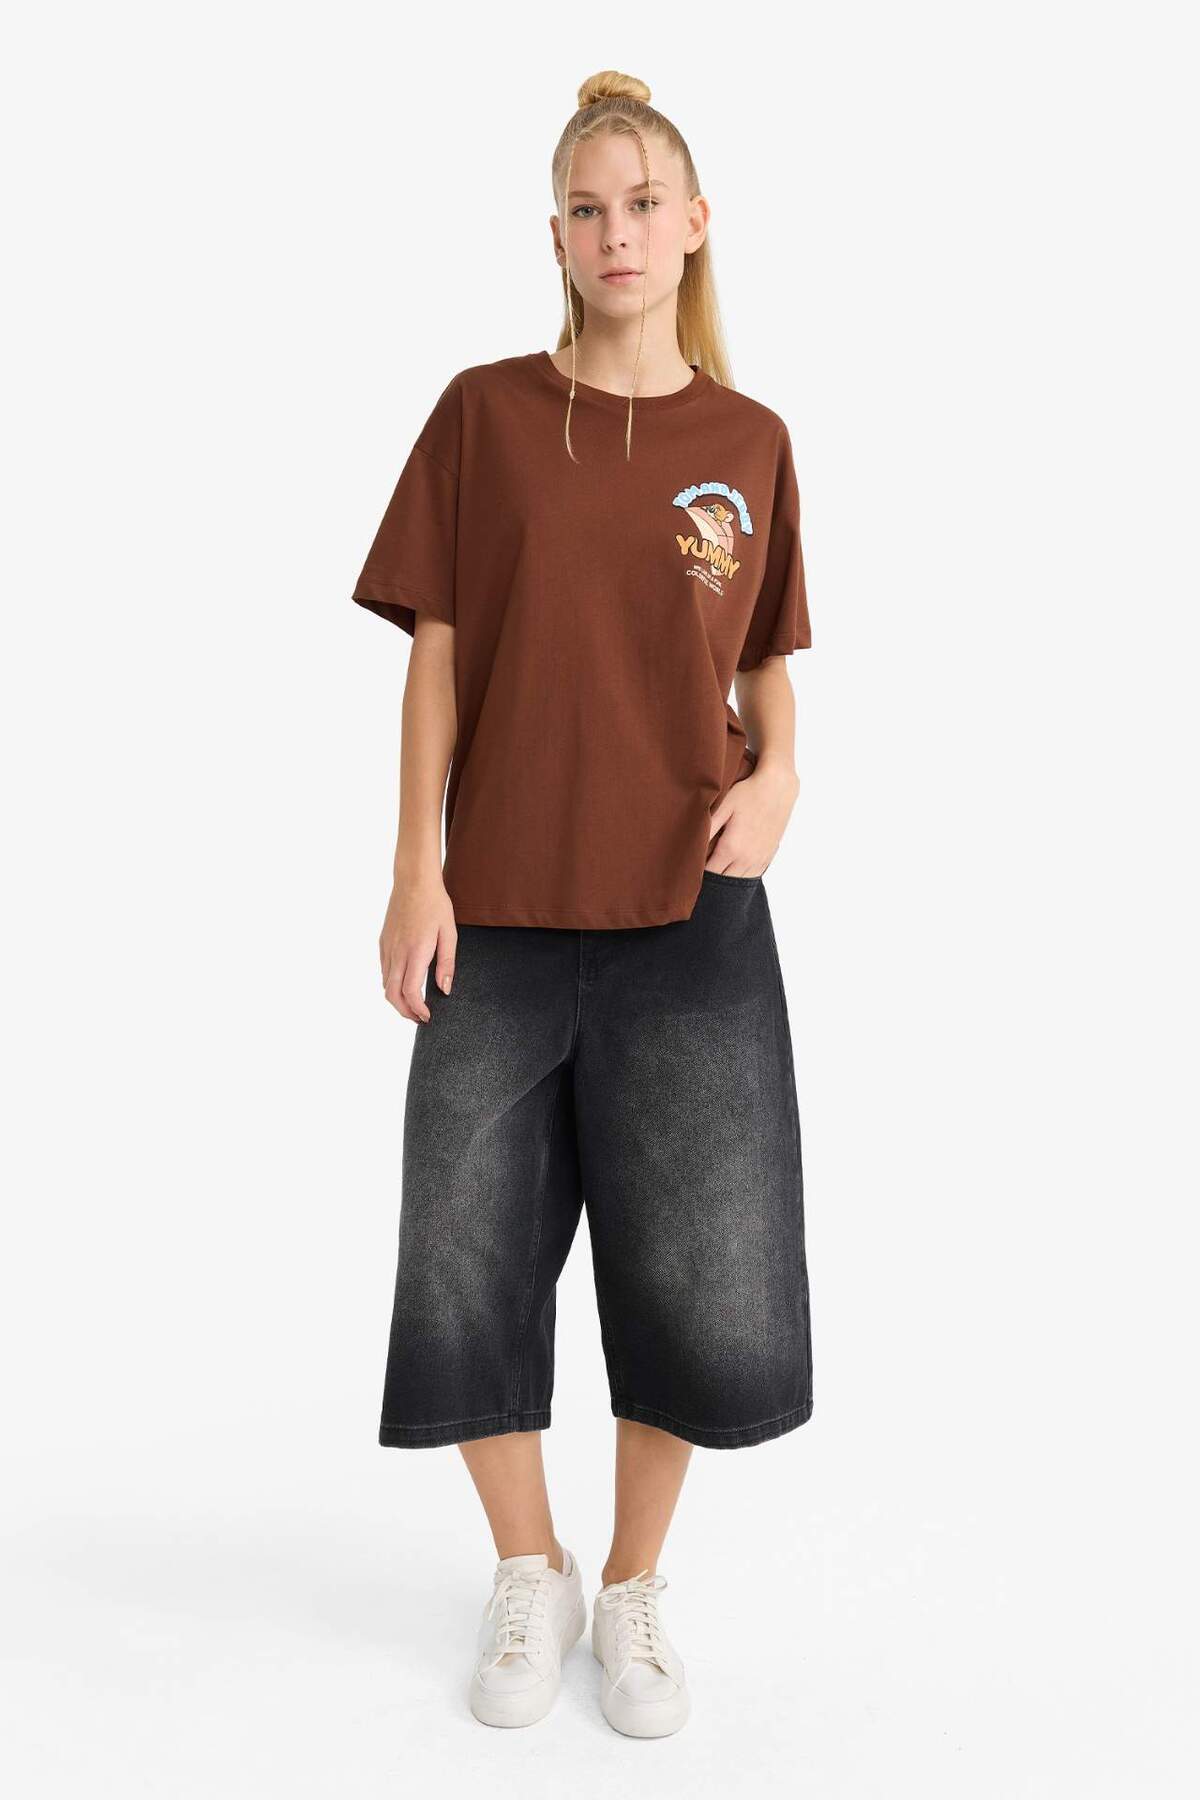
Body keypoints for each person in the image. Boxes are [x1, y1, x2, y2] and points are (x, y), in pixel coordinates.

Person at [350, 68, 813, 1740]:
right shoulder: (485, 418)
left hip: (691, 913)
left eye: (644, 203)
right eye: (588, 208)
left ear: (694, 225)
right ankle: (526, 1567)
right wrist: (416, 867)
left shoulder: (747, 443)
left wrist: (784, 775)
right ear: (556, 234)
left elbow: (762, 655)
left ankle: (630, 1589)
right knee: (463, 1252)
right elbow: (438, 653)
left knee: (700, 1261)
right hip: (502, 906)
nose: (618, 232)